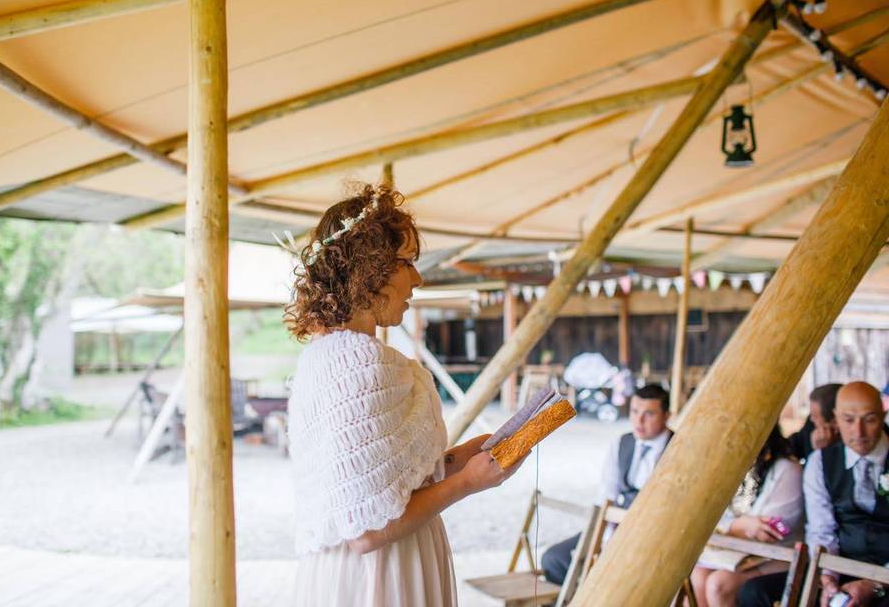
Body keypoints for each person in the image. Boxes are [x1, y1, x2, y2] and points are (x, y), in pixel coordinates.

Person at [286, 185, 525, 607]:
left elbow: (385, 485)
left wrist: (464, 457)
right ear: (370, 269)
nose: (417, 278)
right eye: (407, 263)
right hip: (379, 577)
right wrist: (469, 483)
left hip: (367, 568)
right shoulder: (359, 364)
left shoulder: (324, 357)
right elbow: (367, 532)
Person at [737, 382, 889, 607]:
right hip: (841, 566)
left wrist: (875, 584)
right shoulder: (820, 462)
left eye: (869, 419)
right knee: (754, 593)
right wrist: (828, 579)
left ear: (883, 415)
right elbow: (821, 529)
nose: (858, 432)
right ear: (836, 418)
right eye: (848, 420)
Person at [540, 383, 672, 585]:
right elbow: (606, 494)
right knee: (554, 559)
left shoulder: (677, 449)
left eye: (649, 414)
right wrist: (603, 538)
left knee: (611, 572)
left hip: (653, 532)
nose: (639, 420)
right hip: (615, 524)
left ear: (666, 416)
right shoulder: (622, 443)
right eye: (635, 411)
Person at [689, 425, 803, 607]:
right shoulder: (729, 467)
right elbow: (706, 516)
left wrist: (732, 528)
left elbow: (771, 532)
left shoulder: (787, 469)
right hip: (734, 552)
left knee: (718, 585)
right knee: (698, 577)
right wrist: (739, 526)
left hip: (778, 555)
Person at [788, 383, 842, 462]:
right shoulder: (811, 426)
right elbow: (791, 446)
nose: (811, 419)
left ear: (834, 422)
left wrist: (822, 452)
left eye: (815, 416)